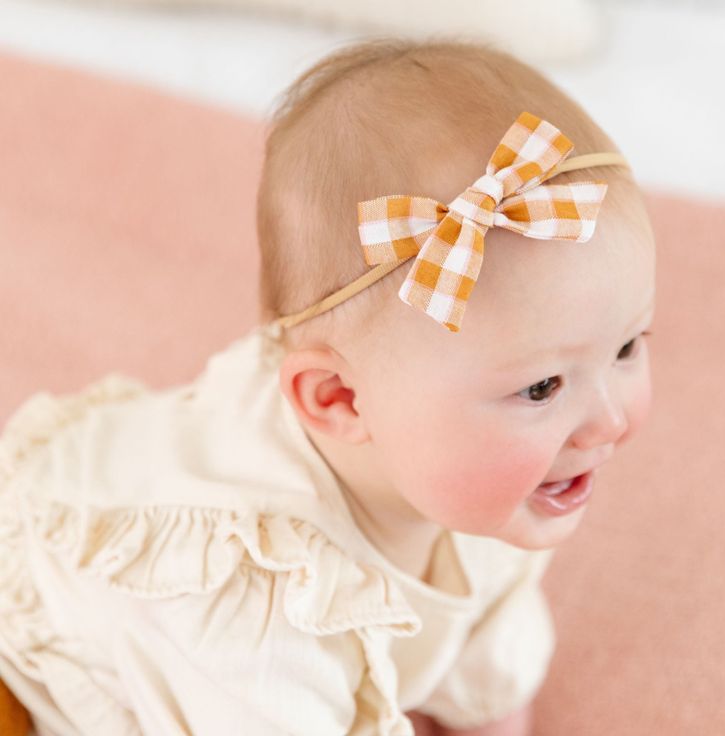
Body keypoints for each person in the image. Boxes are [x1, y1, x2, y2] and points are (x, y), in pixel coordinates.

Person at [0, 37, 656, 736]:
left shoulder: (475, 474)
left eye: (626, 346)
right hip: (44, 638)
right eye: (543, 388)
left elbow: (492, 638)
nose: (609, 420)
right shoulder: (262, 619)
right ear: (340, 400)